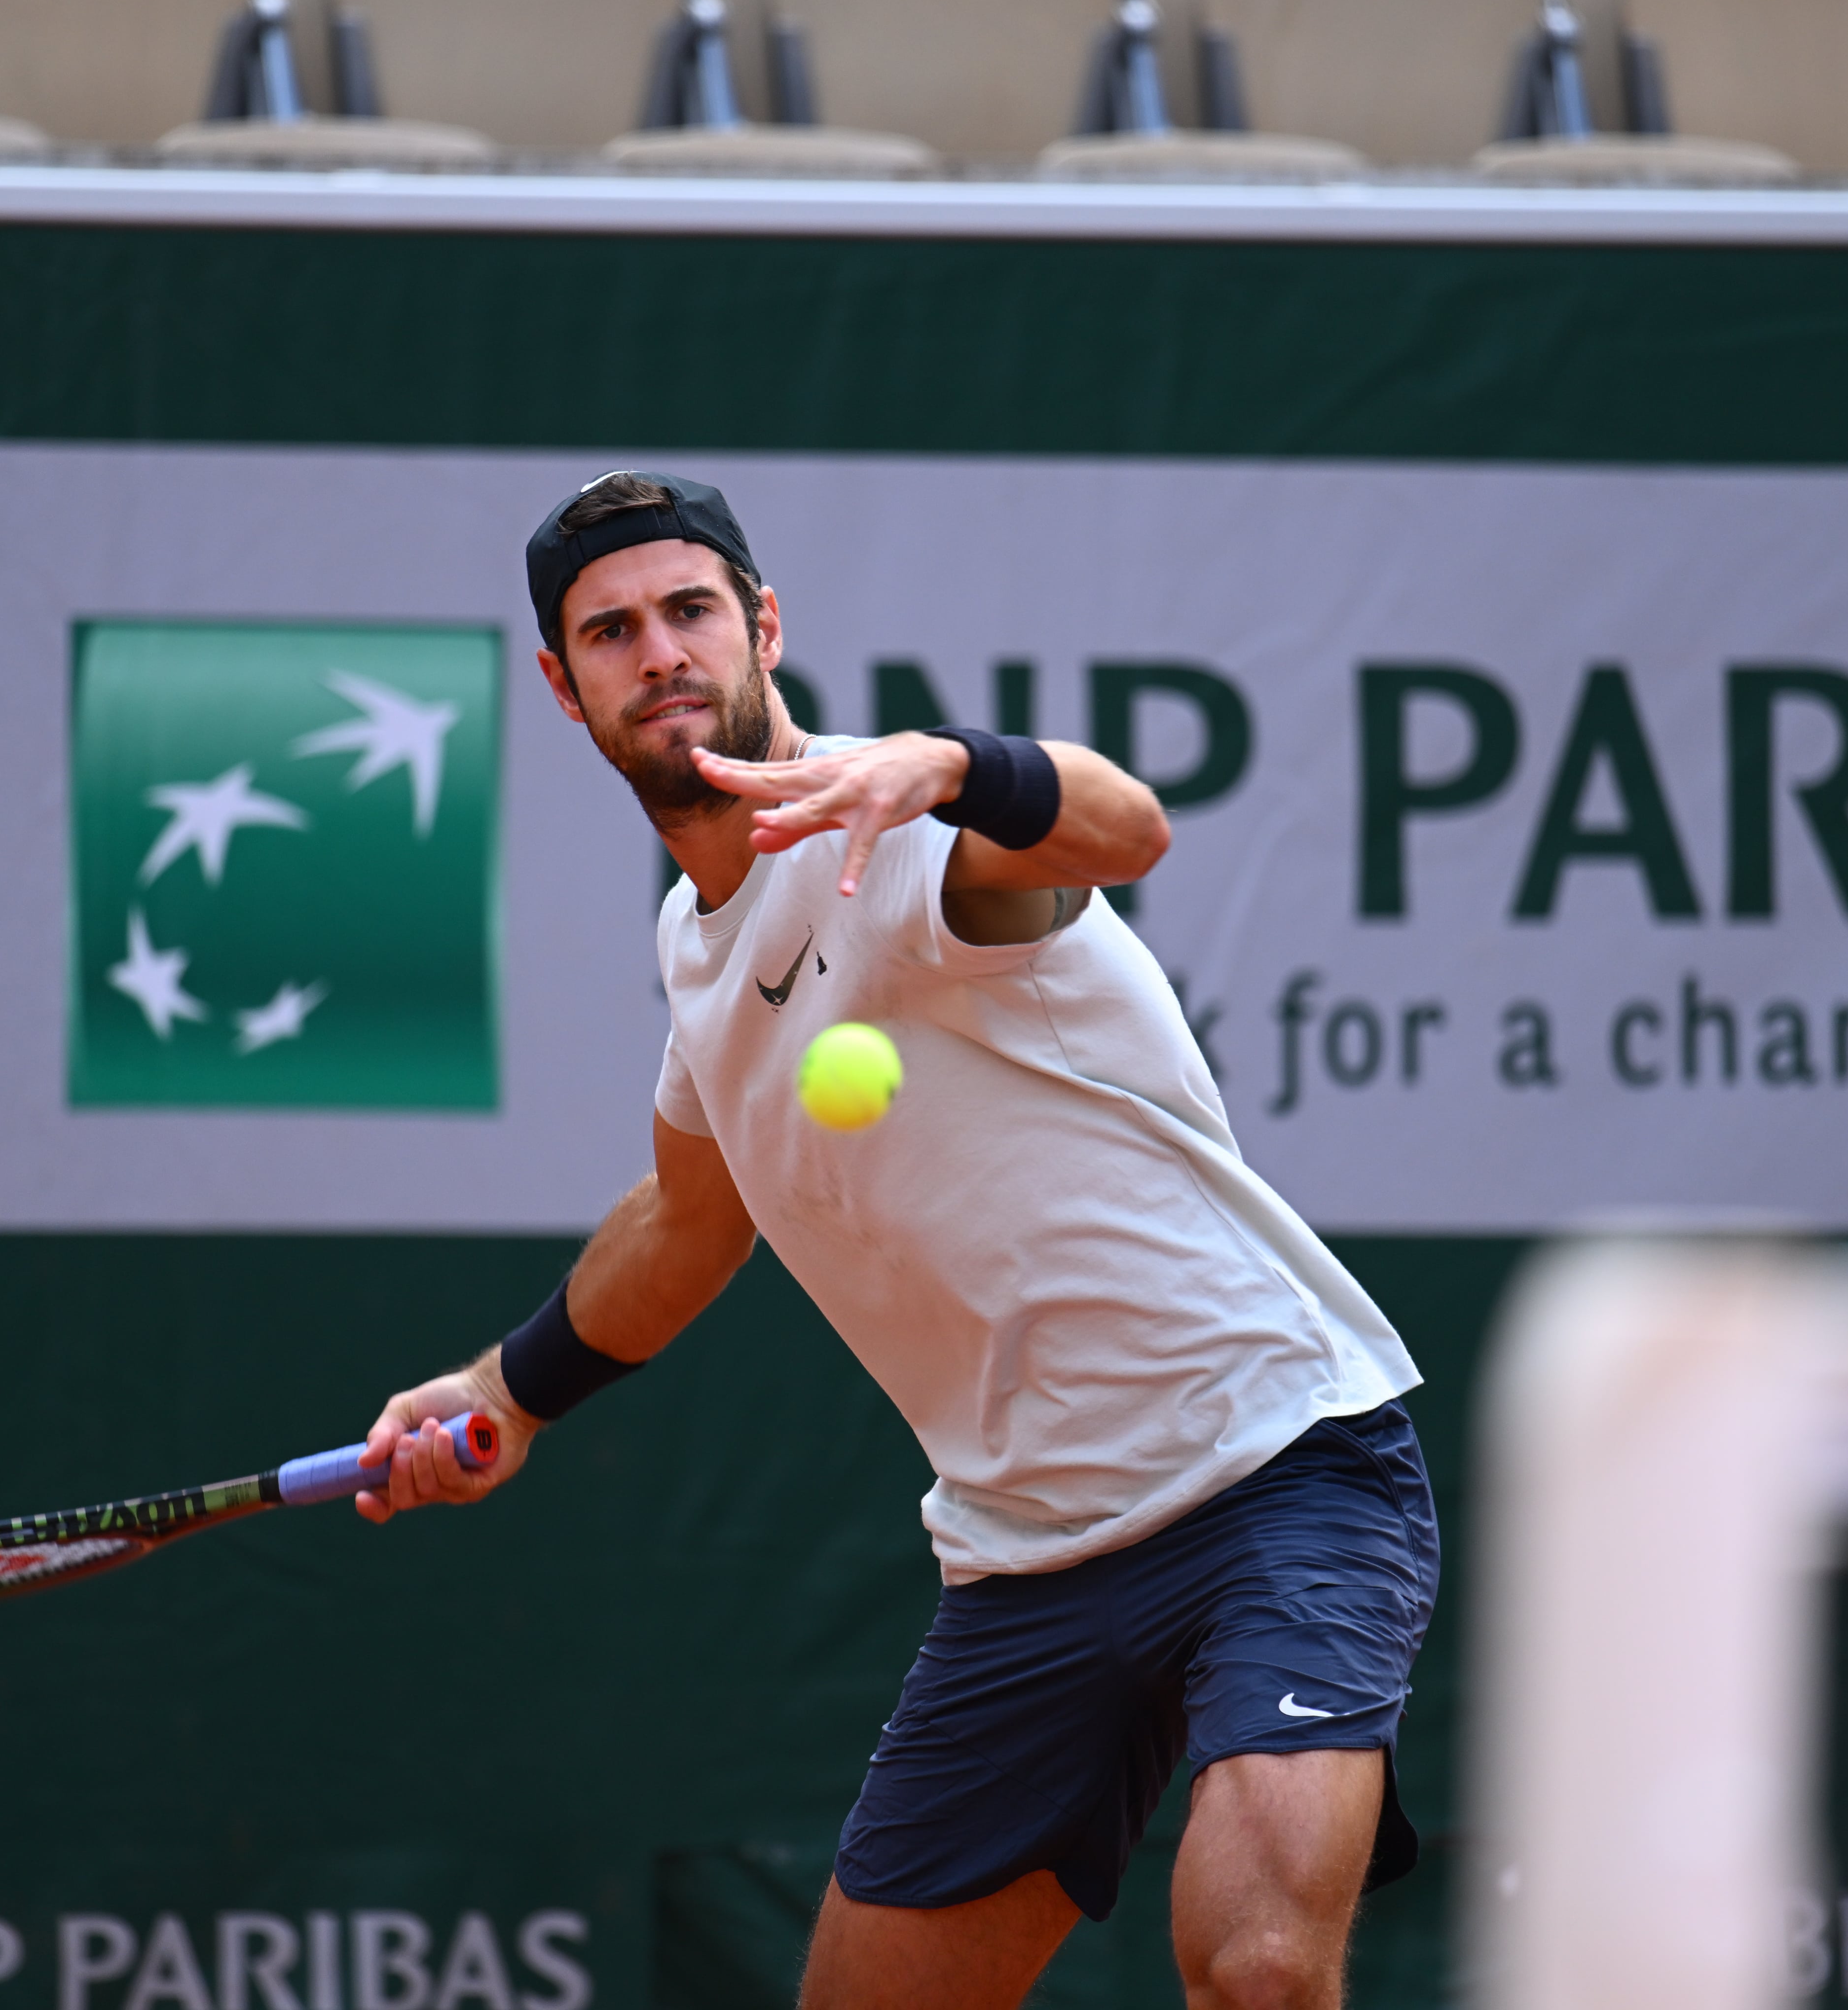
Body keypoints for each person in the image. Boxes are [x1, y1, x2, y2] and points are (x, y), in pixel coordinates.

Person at [355, 470, 1435, 2010]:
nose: (659, 652)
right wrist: (509, 1395)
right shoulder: (696, 950)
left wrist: (939, 766)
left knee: (1260, 1972)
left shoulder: (903, 830)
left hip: (1278, 1471)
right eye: (612, 632)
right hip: (1028, 1559)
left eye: (690, 611)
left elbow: (1127, 830)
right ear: (563, 686)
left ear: (762, 627)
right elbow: (684, 1222)